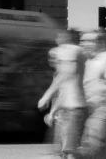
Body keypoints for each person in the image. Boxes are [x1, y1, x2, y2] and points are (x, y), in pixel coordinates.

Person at [39, 29, 87, 158]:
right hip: (67, 111)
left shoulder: (71, 51)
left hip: (73, 109)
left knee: (69, 151)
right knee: (63, 151)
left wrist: (47, 95)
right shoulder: (61, 70)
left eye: (54, 57)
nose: (53, 60)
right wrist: (54, 113)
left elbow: (67, 74)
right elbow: (63, 93)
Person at [76, 31, 106, 159]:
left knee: (95, 143)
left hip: (102, 108)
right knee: (93, 145)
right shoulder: (87, 61)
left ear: (100, 42)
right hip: (86, 108)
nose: (83, 44)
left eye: (88, 41)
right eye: (82, 41)